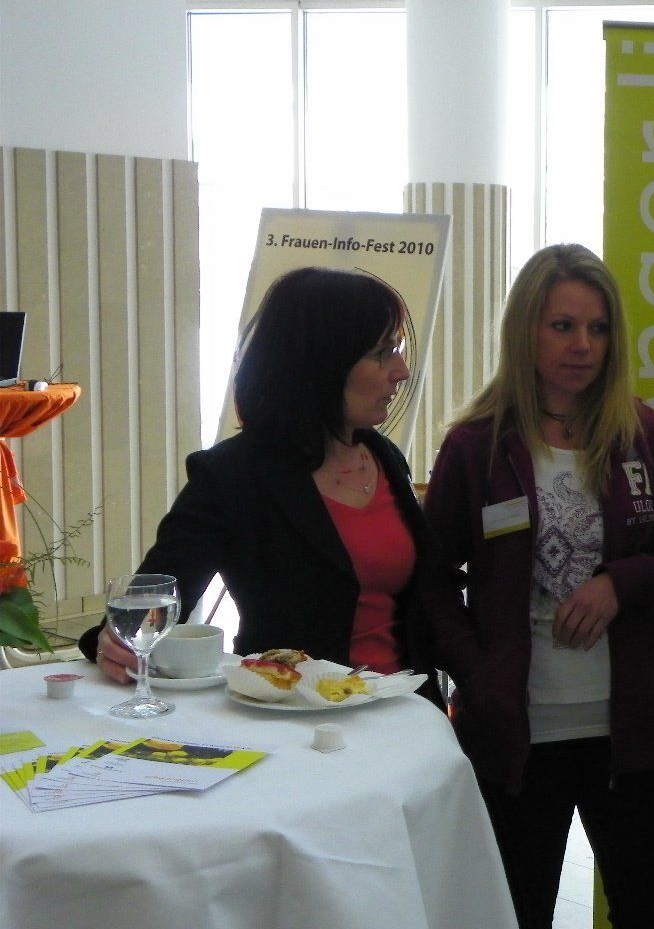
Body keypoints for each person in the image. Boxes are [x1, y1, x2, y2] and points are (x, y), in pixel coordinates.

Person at [423, 244, 654, 929]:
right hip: (515, 738)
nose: (583, 345)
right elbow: (431, 586)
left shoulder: (642, 434)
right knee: (512, 915)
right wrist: (480, 675)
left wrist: (620, 584)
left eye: (598, 328)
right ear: (526, 330)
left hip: (630, 734)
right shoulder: (477, 445)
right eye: (563, 326)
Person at [81, 266, 445, 705]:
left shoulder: (385, 458)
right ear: (323, 362)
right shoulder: (233, 475)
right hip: (293, 714)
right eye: (383, 353)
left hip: (404, 705)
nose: (402, 371)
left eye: (397, 349)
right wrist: (113, 641)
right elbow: (155, 601)